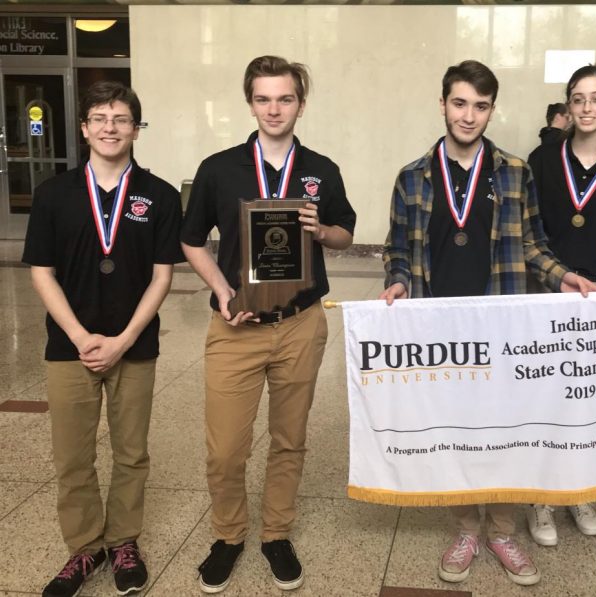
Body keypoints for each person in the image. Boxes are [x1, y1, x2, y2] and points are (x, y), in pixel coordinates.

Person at [379, 60, 596, 587]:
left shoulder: (514, 172)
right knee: (454, 433)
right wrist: (400, 281)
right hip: (441, 332)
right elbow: (397, 250)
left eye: (480, 106)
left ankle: (501, 529)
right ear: (443, 105)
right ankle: (465, 528)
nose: (469, 116)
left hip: (502, 330)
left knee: (503, 434)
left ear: (491, 109)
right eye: (459, 103)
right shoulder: (412, 176)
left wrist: (564, 276)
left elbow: (532, 244)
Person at [180, 55, 356, 593]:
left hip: (300, 324)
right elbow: (191, 240)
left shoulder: (321, 169)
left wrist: (321, 230)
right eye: (263, 98)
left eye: (285, 98)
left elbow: (346, 233)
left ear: (300, 103)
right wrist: (223, 290)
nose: (274, 108)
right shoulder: (219, 167)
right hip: (235, 327)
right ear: (250, 102)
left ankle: (276, 532)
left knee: (289, 438)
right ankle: (229, 535)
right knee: (227, 447)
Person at [23, 81, 183, 597]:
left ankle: (123, 540)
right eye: (99, 118)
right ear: (85, 128)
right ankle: (85, 548)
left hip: (134, 345)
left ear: (136, 128)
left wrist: (121, 339)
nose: (110, 127)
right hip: (68, 347)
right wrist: (79, 335)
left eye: (120, 118)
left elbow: (162, 276)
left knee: (131, 452)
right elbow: (42, 272)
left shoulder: (159, 195)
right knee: (72, 455)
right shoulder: (54, 194)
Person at [524, 64, 596, 547]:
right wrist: (558, 286)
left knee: (585, 399)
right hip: (547, 292)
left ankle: (579, 490)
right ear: (567, 107)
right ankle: (541, 498)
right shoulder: (543, 159)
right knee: (546, 398)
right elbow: (532, 233)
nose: (588, 107)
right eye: (578, 98)